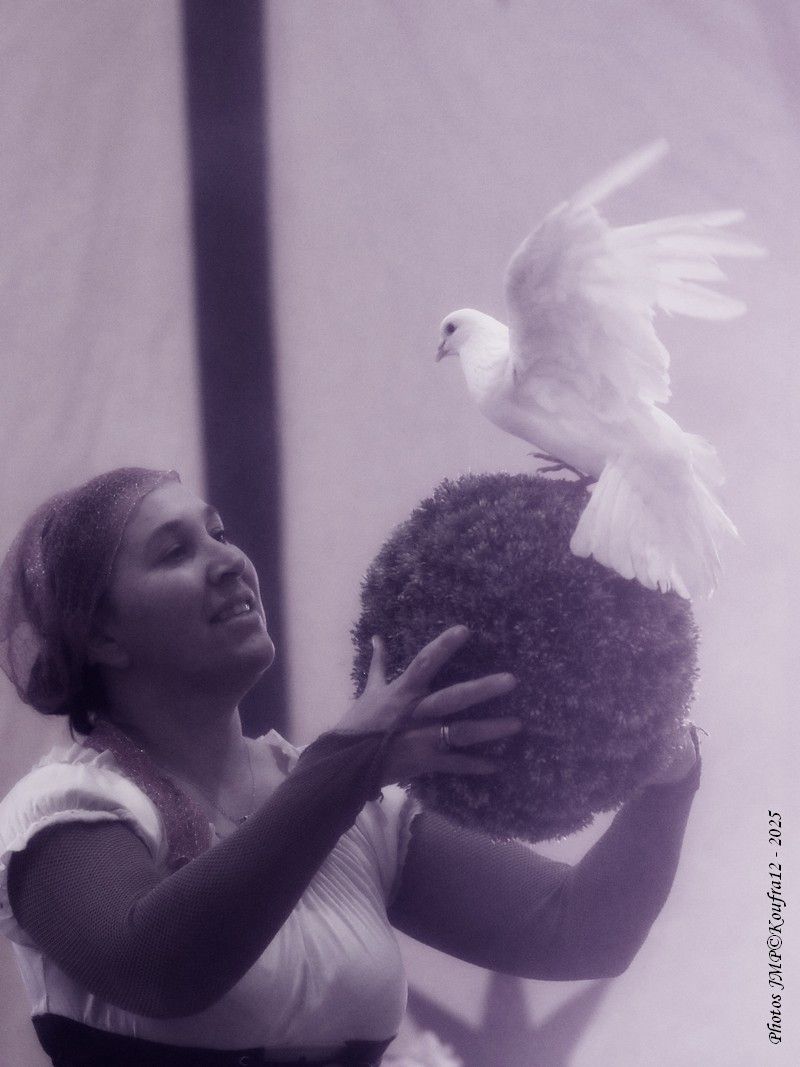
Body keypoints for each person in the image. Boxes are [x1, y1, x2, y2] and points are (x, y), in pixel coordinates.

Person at [0, 468, 700, 1067]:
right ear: (102, 636)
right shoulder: (65, 805)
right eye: (174, 551)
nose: (228, 559)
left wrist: (665, 772)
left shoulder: (357, 808)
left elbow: (578, 929)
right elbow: (159, 969)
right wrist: (346, 767)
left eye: (219, 532)